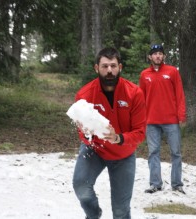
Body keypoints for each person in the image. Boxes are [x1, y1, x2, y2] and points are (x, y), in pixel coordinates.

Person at [72, 47, 146, 219]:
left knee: (121, 211)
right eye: (105, 66)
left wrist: (118, 138)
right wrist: (86, 133)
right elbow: (82, 131)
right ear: (96, 68)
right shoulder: (84, 94)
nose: (109, 70)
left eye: (113, 66)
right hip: (95, 149)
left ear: (120, 67)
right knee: (81, 186)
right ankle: (93, 214)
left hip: (123, 153)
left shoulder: (134, 93)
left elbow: (140, 133)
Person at [139, 44, 186, 194]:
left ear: (164, 56)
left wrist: (181, 114)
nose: (158, 56)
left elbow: (179, 94)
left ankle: (177, 184)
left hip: (171, 120)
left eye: (160, 53)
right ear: (150, 57)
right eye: (155, 54)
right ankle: (155, 184)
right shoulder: (144, 75)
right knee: (153, 153)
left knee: (176, 153)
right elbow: (141, 98)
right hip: (151, 121)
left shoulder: (172, 72)